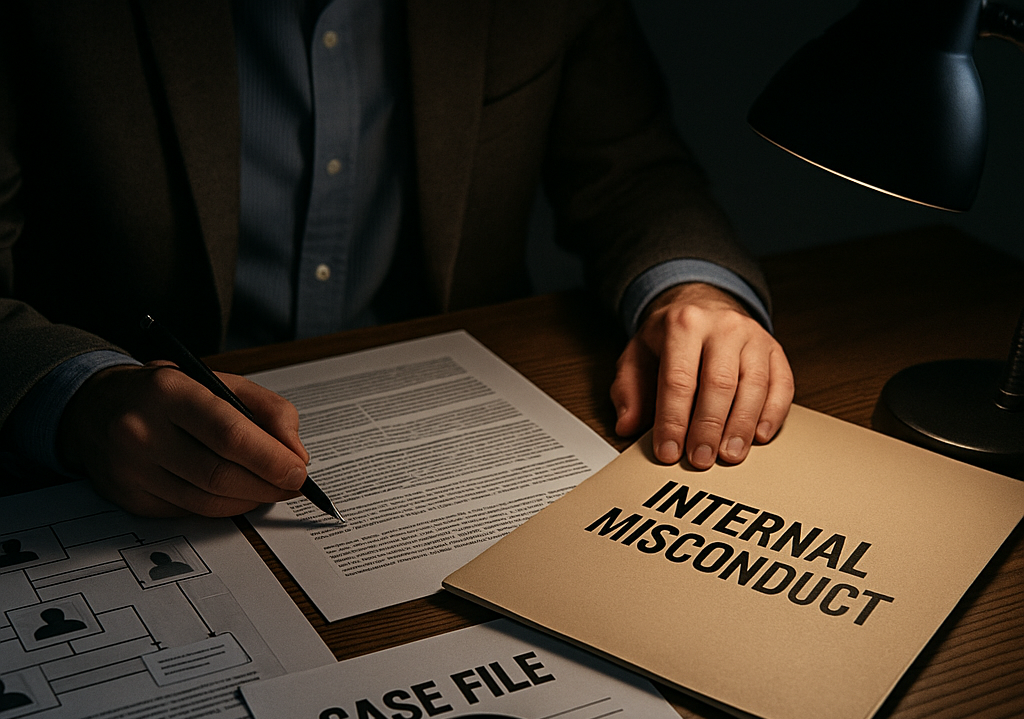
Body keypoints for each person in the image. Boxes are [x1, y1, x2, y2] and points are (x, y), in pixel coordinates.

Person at [0, 0, 793, 519]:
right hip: (124, 482)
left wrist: (692, 290)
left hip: (459, 424)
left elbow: (632, 170)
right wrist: (79, 398)